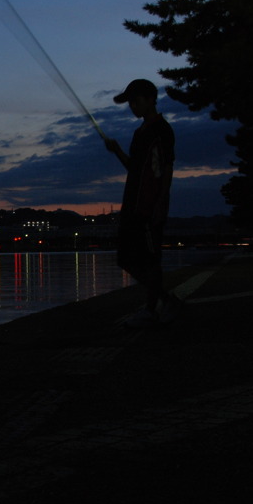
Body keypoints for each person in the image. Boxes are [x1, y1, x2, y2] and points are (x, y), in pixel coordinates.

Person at [104, 78, 179, 328]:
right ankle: (164, 300)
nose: (132, 107)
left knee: (150, 259)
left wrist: (161, 201)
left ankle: (151, 308)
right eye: (130, 103)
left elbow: (167, 168)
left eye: (135, 102)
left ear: (149, 100)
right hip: (132, 205)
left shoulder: (163, 130)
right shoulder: (139, 133)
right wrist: (117, 152)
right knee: (125, 258)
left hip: (150, 205)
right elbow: (134, 169)